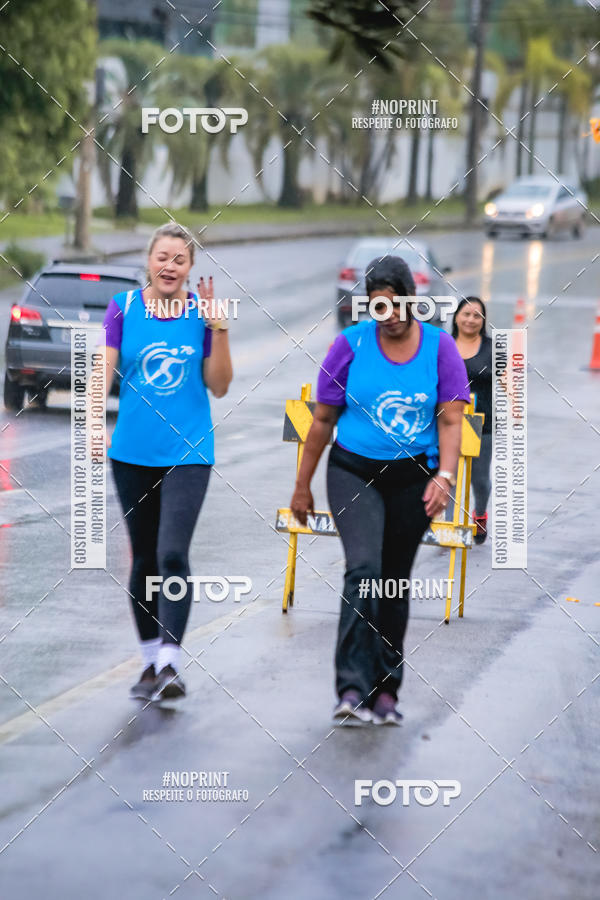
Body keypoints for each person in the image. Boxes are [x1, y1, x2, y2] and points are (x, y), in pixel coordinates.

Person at [290, 257, 470, 725]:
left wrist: (445, 476)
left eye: (394, 305)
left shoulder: (440, 347)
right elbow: (322, 421)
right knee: (364, 570)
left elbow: (452, 421)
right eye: (377, 307)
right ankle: (351, 688)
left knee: (393, 580)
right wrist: (302, 486)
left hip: (414, 480)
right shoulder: (348, 345)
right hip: (353, 473)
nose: (387, 316)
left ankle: (386, 690)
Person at [102, 222, 233, 702]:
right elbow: (103, 371)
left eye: (180, 259)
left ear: (191, 266)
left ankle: (171, 663)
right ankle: (148, 660)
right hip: (132, 454)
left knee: (172, 553)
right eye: (162, 257)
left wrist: (219, 329)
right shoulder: (123, 308)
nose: (170, 266)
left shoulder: (203, 314)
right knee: (144, 558)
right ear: (149, 260)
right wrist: (92, 425)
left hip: (188, 453)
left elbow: (220, 385)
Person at [451, 296, 492, 544]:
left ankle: (480, 514)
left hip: (482, 423)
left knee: (480, 479)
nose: (471, 319)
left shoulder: (492, 348)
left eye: (477, 315)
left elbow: (508, 380)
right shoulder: (445, 346)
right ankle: (448, 524)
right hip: (447, 420)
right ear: (456, 317)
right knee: (448, 474)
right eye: (466, 314)